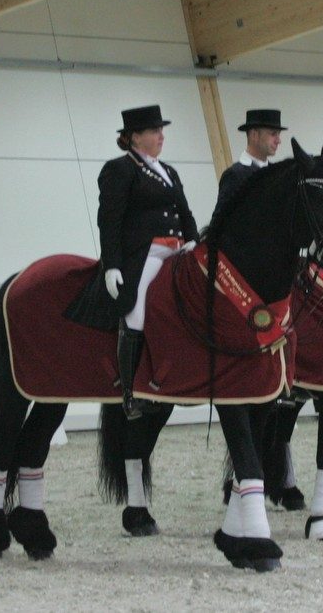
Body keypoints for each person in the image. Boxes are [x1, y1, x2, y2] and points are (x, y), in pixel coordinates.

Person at [98, 105, 199, 419]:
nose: (161, 136)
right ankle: (130, 393)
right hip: (146, 254)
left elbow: (185, 211)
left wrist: (194, 240)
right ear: (134, 138)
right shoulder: (120, 169)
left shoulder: (169, 171)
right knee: (138, 312)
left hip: (179, 250)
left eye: (161, 130)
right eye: (154, 131)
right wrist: (112, 264)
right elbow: (109, 220)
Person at [214, 109, 287, 218]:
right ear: (254, 135)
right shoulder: (235, 175)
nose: (278, 140)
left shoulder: (278, 174)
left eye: (278, 134)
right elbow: (220, 221)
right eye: (273, 134)